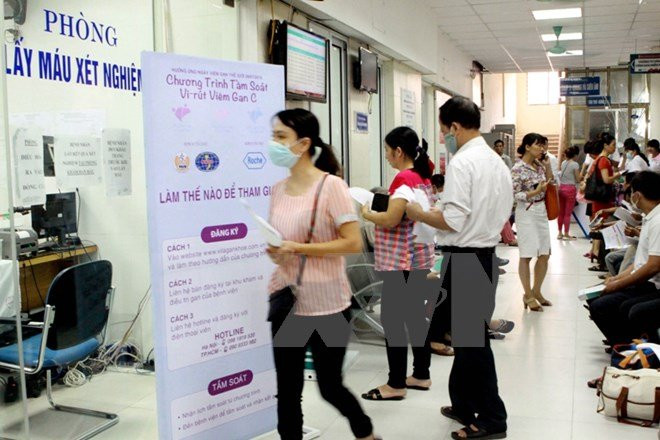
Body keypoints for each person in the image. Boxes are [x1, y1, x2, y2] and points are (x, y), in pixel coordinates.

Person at [266, 109, 378, 440]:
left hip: (328, 304)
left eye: (281, 137)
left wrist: (299, 248)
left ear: (303, 144)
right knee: (287, 390)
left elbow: (352, 242)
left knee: (330, 386)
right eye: (273, 135)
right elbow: (282, 240)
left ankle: (364, 431)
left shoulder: (332, 186)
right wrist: (277, 251)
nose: (274, 143)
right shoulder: (278, 189)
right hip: (289, 302)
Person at [406, 96, 509, 440]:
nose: (443, 137)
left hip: (467, 259)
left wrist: (419, 213)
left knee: (473, 342)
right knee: (465, 340)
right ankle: (463, 404)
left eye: (443, 131)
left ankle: (493, 417)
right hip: (482, 255)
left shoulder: (463, 162)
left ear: (454, 127)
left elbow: (452, 220)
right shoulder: (495, 161)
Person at [360, 126, 435, 401]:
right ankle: (421, 374)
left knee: (392, 320)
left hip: (400, 260)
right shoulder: (422, 177)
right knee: (415, 317)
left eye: (387, 150)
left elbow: (392, 219)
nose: (386, 156)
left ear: (398, 151)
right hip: (419, 257)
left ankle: (395, 384)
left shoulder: (403, 178)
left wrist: (368, 213)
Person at [589, 171, 660, 345]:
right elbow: (640, 262)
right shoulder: (650, 217)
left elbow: (652, 266)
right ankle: (624, 345)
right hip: (646, 280)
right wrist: (617, 278)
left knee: (615, 306)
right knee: (595, 298)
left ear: (637, 195)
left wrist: (619, 284)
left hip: (653, 284)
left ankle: (628, 347)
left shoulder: (657, 221)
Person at [511, 133, 554, 312]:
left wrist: (548, 167)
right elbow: (515, 194)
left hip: (541, 209)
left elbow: (551, 182)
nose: (542, 149)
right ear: (527, 147)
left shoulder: (539, 165)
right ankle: (527, 295)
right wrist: (535, 192)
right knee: (527, 254)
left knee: (545, 253)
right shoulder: (517, 168)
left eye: (543, 146)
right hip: (526, 211)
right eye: (538, 145)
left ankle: (537, 291)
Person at [586, 134, 621, 270]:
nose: (614, 148)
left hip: (599, 198)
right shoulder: (604, 160)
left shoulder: (598, 159)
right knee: (604, 230)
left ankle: (601, 261)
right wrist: (618, 175)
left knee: (601, 229)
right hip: (603, 199)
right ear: (605, 145)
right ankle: (604, 263)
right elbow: (606, 180)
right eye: (613, 145)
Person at [557, 145, 581, 240]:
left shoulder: (563, 163)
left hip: (561, 188)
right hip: (570, 190)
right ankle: (566, 234)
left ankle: (559, 233)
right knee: (567, 214)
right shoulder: (575, 164)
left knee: (561, 213)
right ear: (575, 155)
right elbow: (577, 179)